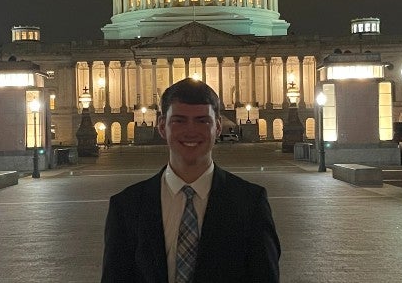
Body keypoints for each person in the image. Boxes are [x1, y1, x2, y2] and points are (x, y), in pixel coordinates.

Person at [101, 78, 280, 283]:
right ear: (162, 127)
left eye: (202, 120)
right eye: (179, 120)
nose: (191, 131)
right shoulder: (125, 206)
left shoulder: (251, 203)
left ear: (218, 127)